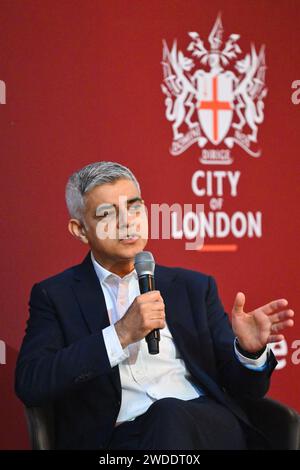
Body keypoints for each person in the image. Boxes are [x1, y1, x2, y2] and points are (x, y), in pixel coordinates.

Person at [15, 161, 294, 450]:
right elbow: (32, 383)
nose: (127, 222)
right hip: (122, 440)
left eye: (134, 208)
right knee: (164, 419)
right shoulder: (56, 296)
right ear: (80, 230)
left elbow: (247, 389)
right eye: (107, 214)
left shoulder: (193, 288)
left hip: (205, 427)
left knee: (169, 413)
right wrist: (121, 334)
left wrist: (249, 352)